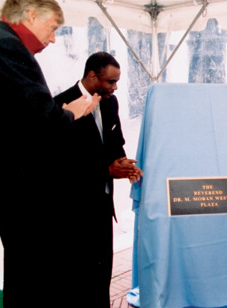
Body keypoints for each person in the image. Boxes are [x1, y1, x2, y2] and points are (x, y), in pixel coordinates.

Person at [0, 0, 98, 307]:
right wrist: (73, 111)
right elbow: (38, 118)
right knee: (32, 278)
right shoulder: (6, 46)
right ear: (31, 16)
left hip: (6, 188)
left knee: (26, 273)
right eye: (53, 27)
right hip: (19, 192)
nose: (54, 39)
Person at [54, 51, 143, 307]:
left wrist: (122, 163)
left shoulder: (110, 103)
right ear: (93, 76)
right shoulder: (60, 106)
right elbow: (59, 165)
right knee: (76, 279)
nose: (115, 88)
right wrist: (106, 171)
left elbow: (115, 143)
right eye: (110, 82)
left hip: (103, 207)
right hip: (72, 211)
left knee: (101, 275)